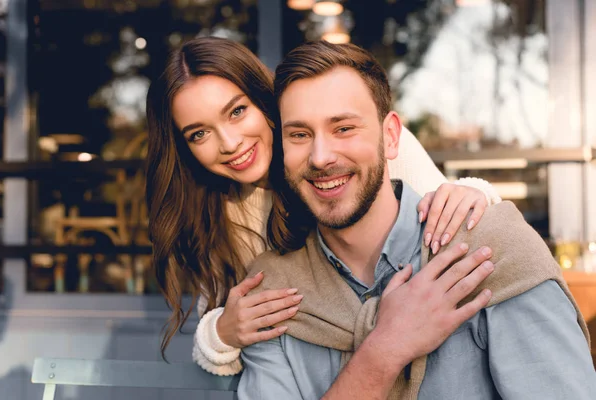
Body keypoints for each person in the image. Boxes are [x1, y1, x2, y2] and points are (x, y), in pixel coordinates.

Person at [238, 40, 596, 399]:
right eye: (299, 135)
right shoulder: (269, 296)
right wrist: (386, 348)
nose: (320, 157)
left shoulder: (490, 247)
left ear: (390, 136)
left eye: (344, 128)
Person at [145, 37, 500, 375]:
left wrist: (473, 191)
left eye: (237, 111)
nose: (229, 142)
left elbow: (451, 211)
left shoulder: (362, 144)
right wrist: (221, 332)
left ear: (264, 102)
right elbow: (223, 346)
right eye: (199, 134)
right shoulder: (219, 215)